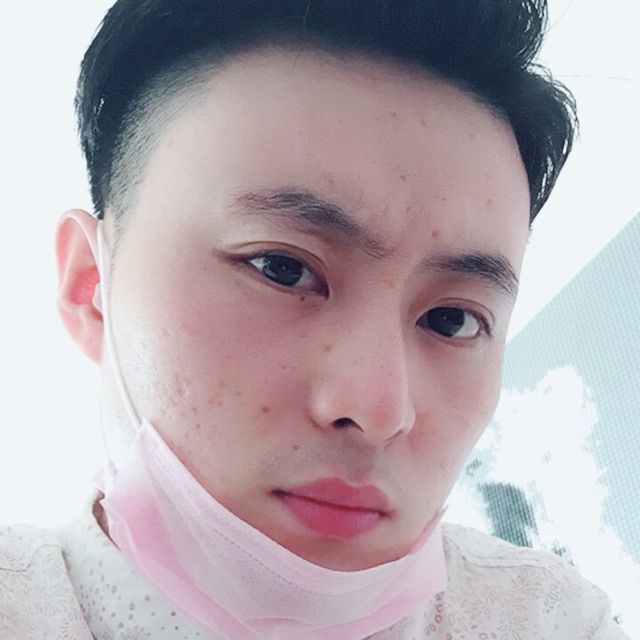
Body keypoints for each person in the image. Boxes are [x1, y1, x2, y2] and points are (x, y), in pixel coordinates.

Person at [0, 0, 630, 638]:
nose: (379, 411)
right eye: (281, 268)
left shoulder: (552, 619)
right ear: (91, 286)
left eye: (451, 320)